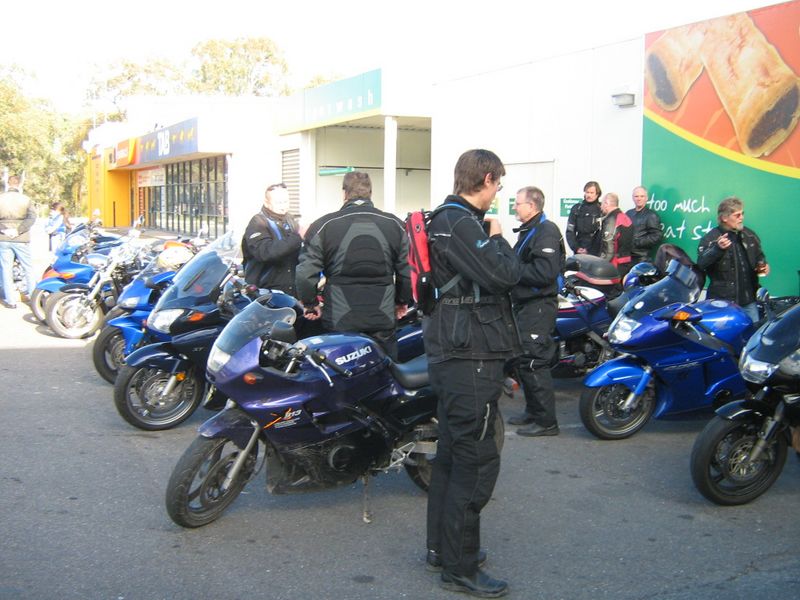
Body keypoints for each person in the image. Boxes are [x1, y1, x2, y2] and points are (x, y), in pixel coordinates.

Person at [423, 149, 521, 598]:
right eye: (498, 183)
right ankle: (460, 566)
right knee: (475, 460)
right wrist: (498, 238)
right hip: (470, 357)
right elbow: (505, 274)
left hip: (457, 353)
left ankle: (443, 550)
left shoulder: (448, 220)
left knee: (450, 455)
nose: (498, 191)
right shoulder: (460, 222)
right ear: (486, 179)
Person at [295, 171, 411, 360]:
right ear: (370, 193)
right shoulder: (395, 224)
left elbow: (305, 273)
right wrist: (401, 301)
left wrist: (310, 303)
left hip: (340, 319)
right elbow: (407, 271)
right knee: (387, 370)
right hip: (381, 317)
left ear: (344, 193)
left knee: (341, 372)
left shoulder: (324, 225)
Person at [507, 186, 565, 438]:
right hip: (525, 304)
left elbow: (544, 273)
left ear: (531, 206)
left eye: (517, 203)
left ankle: (546, 422)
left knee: (534, 361)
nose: (514, 207)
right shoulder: (530, 230)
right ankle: (533, 411)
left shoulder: (546, 230)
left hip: (538, 306)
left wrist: (511, 272)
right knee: (523, 360)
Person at [697, 196, 768, 323]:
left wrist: (764, 266)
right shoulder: (711, 238)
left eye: (742, 214)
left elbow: (760, 257)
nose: (742, 218)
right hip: (722, 303)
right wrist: (717, 248)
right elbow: (701, 263)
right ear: (724, 218)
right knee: (723, 333)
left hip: (749, 301)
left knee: (753, 332)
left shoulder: (750, 235)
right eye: (737, 215)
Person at [241, 182, 302, 298]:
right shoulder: (258, 223)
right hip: (264, 293)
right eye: (279, 202)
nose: (283, 206)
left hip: (289, 292)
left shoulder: (290, 220)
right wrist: (298, 237)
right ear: (266, 203)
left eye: (286, 201)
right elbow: (265, 252)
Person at [0, 175, 36, 308]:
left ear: (7, 184)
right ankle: (34, 297)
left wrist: (4, 230)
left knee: (6, 269)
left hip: (3, 238)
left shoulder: (1, 198)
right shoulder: (26, 199)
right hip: (21, 238)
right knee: (28, 268)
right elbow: (32, 217)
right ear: (19, 185)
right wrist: (18, 230)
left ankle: (11, 301)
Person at [599, 192, 633, 279]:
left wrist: (601, 265)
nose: (601, 207)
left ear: (607, 203)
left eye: (602, 203)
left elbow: (609, 246)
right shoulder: (625, 217)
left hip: (614, 263)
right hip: (626, 261)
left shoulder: (612, 219)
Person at [625, 186, 662, 264]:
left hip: (641, 258)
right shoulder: (628, 213)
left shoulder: (651, 215)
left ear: (646, 198)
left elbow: (657, 235)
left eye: (642, 196)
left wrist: (637, 242)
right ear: (633, 198)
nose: (639, 199)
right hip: (626, 256)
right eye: (636, 196)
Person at [566, 180, 603, 256]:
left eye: (591, 193)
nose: (589, 195)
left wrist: (591, 249)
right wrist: (576, 248)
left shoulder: (602, 209)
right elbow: (570, 231)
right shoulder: (577, 208)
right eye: (587, 192)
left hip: (596, 250)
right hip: (579, 248)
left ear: (597, 194)